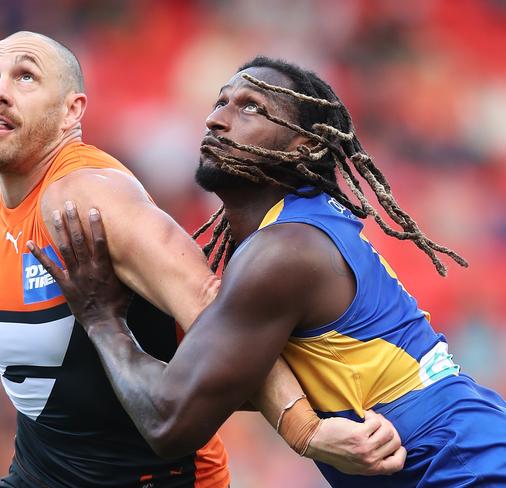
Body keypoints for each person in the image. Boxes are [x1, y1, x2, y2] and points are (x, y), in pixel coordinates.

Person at [0, 33, 405, 487]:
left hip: (147, 478)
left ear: (73, 111)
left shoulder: (92, 196)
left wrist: (304, 431)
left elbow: (212, 308)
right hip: (42, 471)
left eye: (25, 76)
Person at [29, 56, 506, 487]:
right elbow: (228, 382)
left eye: (250, 107)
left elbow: (168, 424)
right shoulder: (294, 234)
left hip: (463, 464)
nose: (217, 120)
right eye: (219, 103)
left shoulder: (284, 251)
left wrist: (100, 318)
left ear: (304, 147)